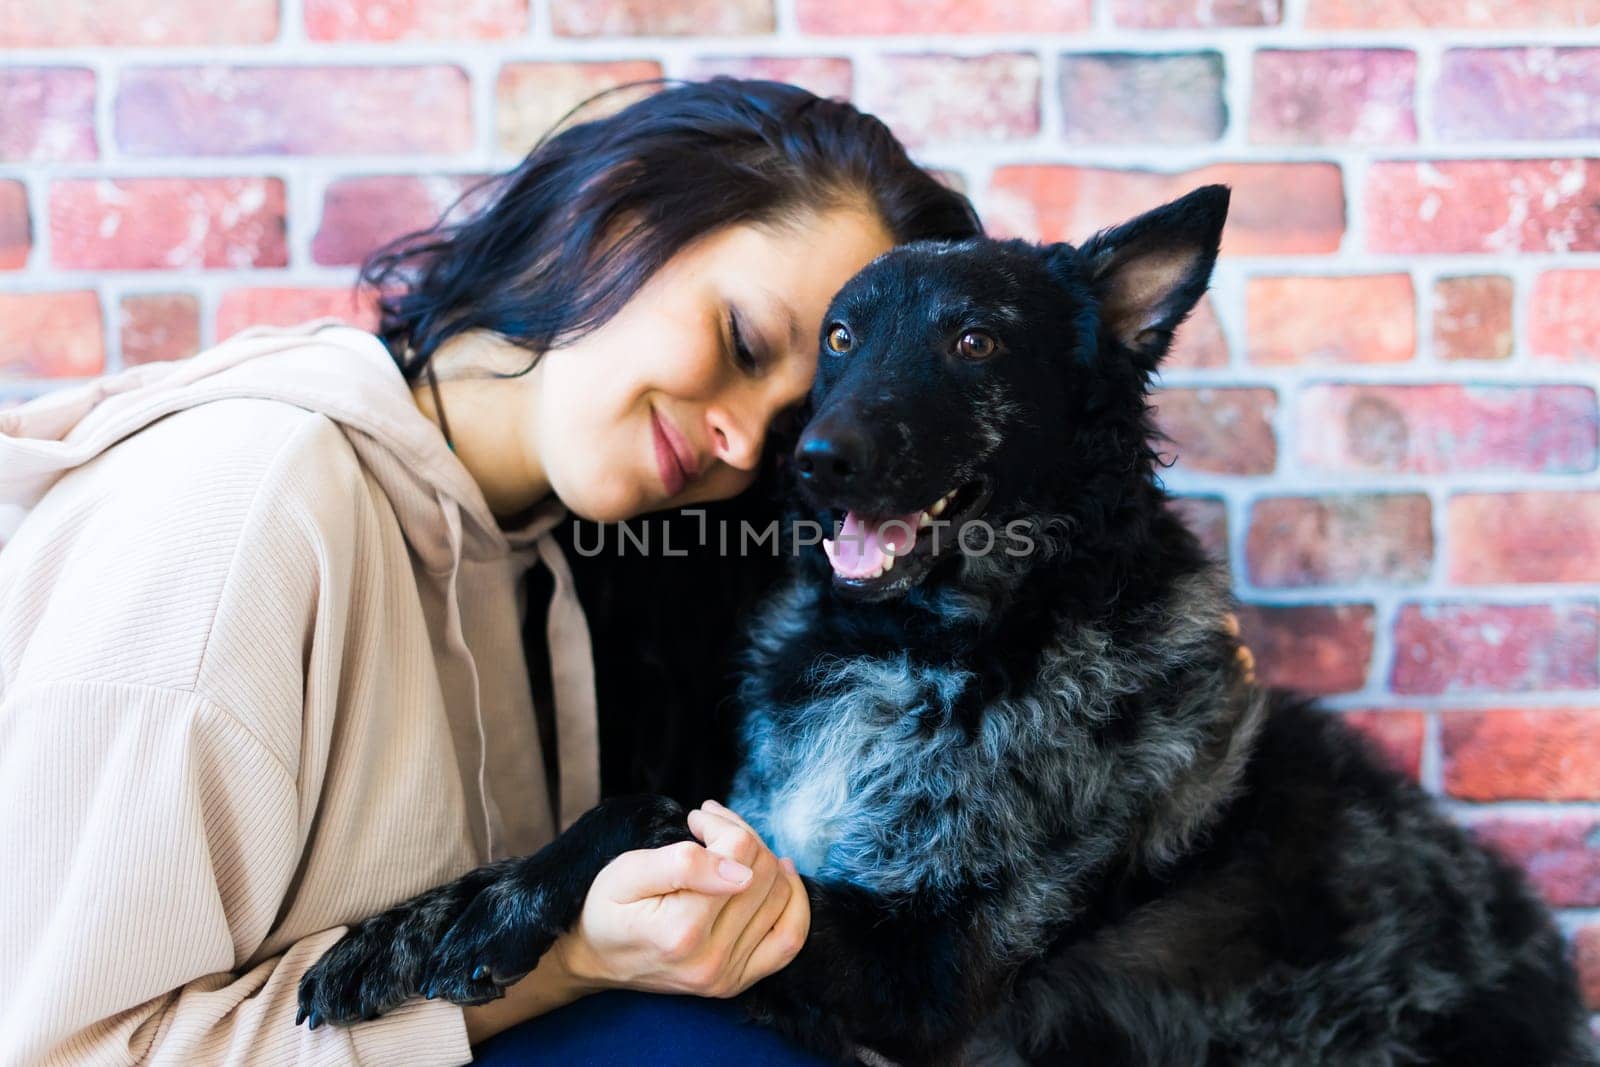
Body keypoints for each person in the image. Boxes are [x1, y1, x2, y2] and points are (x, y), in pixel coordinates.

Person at [0, 78, 981, 1064]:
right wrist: (568, 962)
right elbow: (60, 1047)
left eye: (786, 428)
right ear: (616, 213)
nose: (736, 439)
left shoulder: (536, 556)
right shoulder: (240, 513)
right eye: (741, 341)